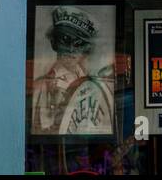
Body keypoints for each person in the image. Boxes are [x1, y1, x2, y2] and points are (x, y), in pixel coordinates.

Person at [31, 7, 114, 135]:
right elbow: (43, 131)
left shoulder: (92, 83)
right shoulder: (43, 86)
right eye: (64, 40)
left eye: (78, 43)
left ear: (85, 50)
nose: (70, 49)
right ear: (55, 43)